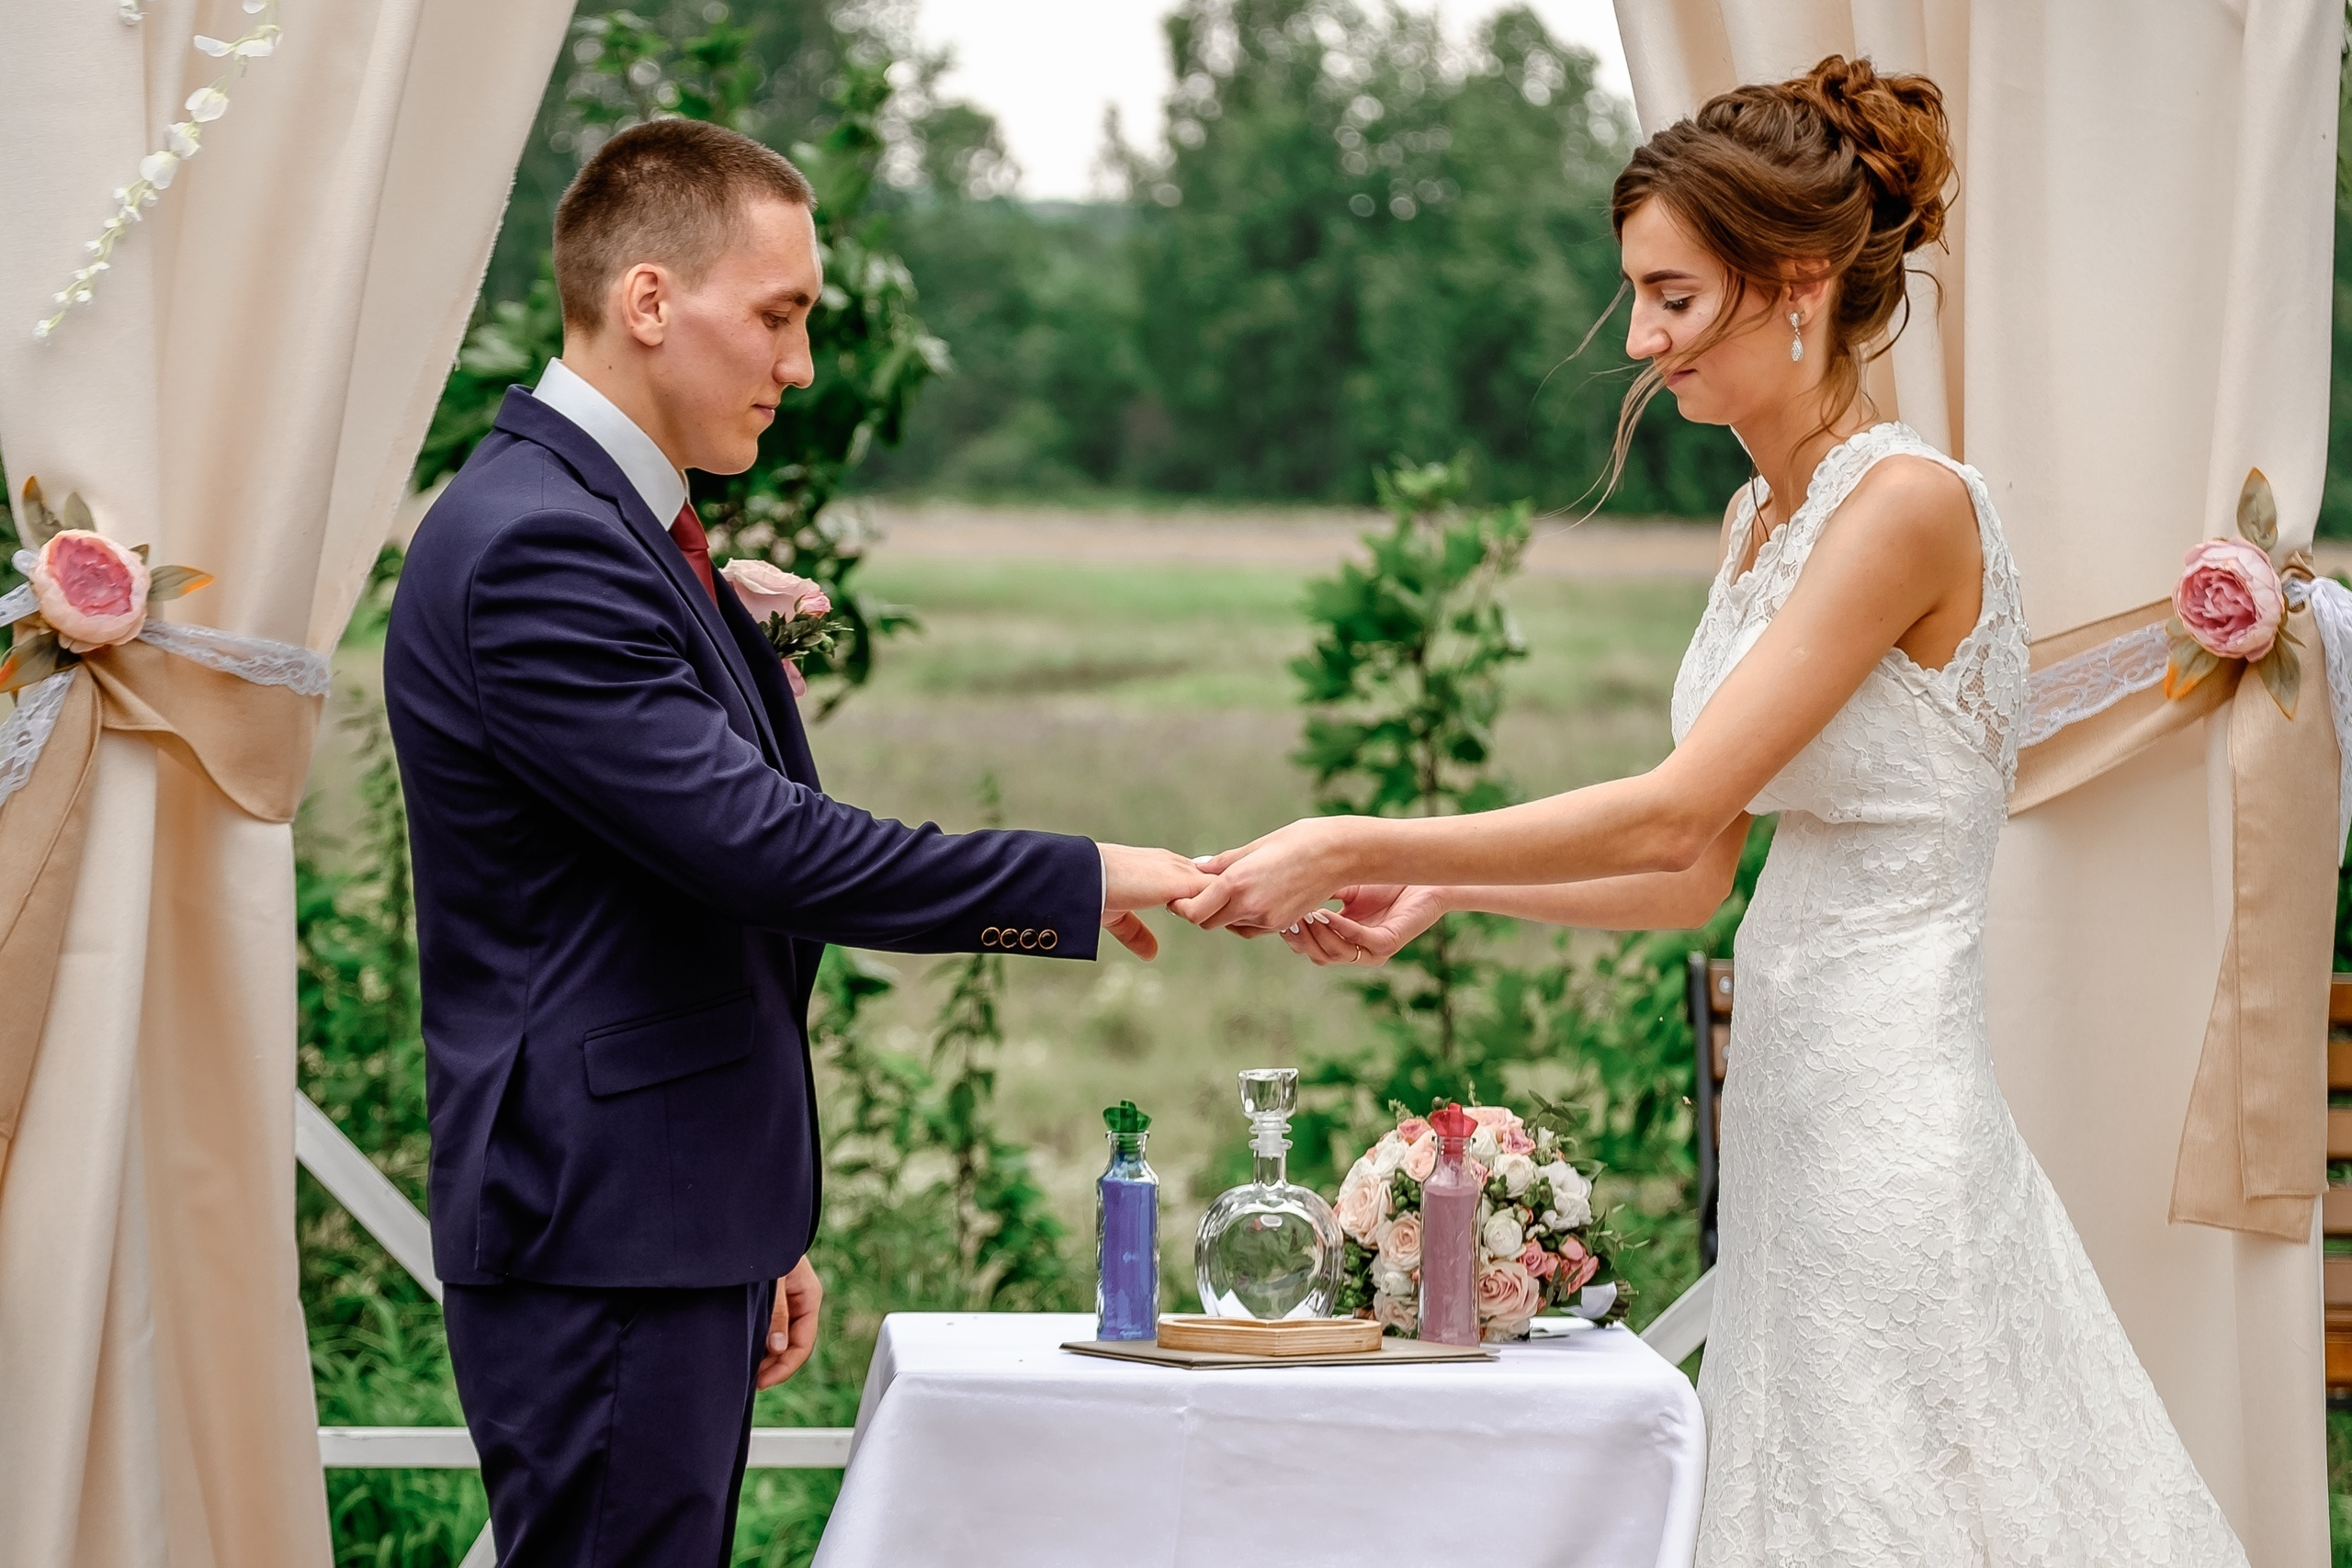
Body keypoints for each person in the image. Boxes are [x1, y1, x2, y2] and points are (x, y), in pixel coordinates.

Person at [1175, 57, 2249, 1565]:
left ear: (1797, 282)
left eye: (1672, 296)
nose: (1640, 339)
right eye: (1638, 296)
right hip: (1790, 1115)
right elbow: (1693, 878)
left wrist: (1360, 841)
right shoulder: (1760, 522)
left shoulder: (1906, 507)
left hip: (1891, 1123)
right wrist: (1452, 890)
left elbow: (1675, 808)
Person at [382, 118, 1204, 1567]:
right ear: (649, 301)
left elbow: (657, 895)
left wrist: (749, 1221)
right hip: (606, 1232)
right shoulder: (538, 546)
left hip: (665, 1215)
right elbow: (772, 852)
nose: (802, 364)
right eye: (779, 315)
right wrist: (1082, 877)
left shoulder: (613, 529)